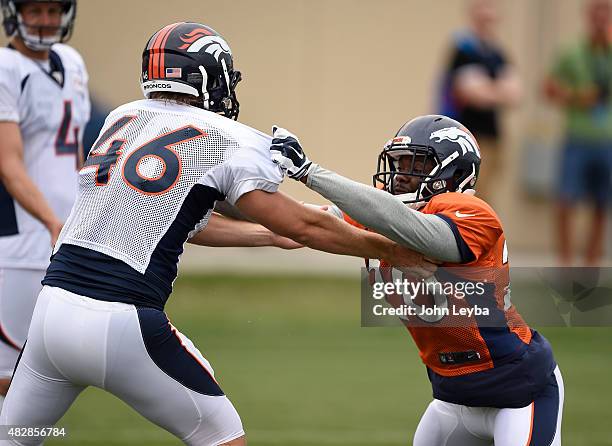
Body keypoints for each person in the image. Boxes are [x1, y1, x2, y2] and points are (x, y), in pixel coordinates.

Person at [0, 22, 431, 446]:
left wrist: (265, 236)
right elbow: (304, 224)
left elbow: (171, 216)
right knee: (222, 437)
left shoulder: (124, 118)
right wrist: (393, 250)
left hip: (52, 313)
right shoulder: (224, 137)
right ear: (207, 76)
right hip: (121, 320)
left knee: (16, 438)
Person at [270, 115, 564, 445]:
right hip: (452, 398)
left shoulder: (473, 212)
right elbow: (301, 221)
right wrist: (228, 186)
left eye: (417, 164)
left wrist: (310, 172)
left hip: (520, 392)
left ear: (454, 172)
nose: (401, 176)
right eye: (399, 163)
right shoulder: (385, 214)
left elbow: (422, 234)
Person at [0, 0, 89, 410]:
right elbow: (9, 164)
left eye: (54, 11)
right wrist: (52, 220)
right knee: (7, 378)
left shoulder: (71, 62)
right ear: (14, 12)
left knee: (44, 376)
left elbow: (76, 158)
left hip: (62, 239)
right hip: (16, 244)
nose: (46, 20)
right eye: (35, 10)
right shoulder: (6, 66)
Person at [545, 0, 612, 266]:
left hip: (606, 142)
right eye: (596, 10)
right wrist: (575, 96)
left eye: (605, 10)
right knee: (566, 200)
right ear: (588, 15)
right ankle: (566, 262)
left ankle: (591, 263)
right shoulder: (571, 53)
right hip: (577, 139)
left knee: (601, 203)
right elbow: (548, 88)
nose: (600, 16)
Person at [438, 0, 521, 205]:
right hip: (465, 135)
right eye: (483, 7)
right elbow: (470, 93)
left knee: (486, 194)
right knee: (465, 192)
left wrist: (487, 89)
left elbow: (516, 94)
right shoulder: (463, 49)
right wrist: (497, 90)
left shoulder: (496, 53)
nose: (488, 14)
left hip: (492, 135)